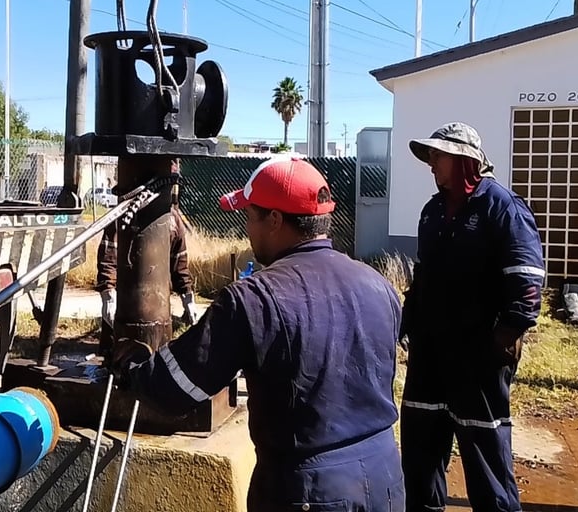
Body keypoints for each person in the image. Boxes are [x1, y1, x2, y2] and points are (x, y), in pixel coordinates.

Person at [110, 156, 406, 512]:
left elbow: (178, 388)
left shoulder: (254, 298)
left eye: (251, 216)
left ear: (276, 220)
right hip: (384, 477)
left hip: (311, 490)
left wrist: (135, 369)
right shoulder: (378, 285)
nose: (247, 228)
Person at [399, 122, 545, 512]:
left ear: (464, 159)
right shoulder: (432, 212)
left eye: (438, 155)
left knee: (485, 459)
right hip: (429, 358)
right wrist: (408, 322)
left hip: (477, 362)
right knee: (421, 454)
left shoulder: (503, 208)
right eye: (429, 155)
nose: (431, 163)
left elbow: (527, 283)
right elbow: (424, 273)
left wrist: (502, 338)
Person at [96, 159, 198, 355]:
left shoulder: (173, 220)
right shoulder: (122, 214)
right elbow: (108, 257)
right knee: (113, 359)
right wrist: (108, 295)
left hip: (158, 313)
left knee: (156, 359)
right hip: (122, 311)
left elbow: (180, 264)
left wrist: (188, 297)